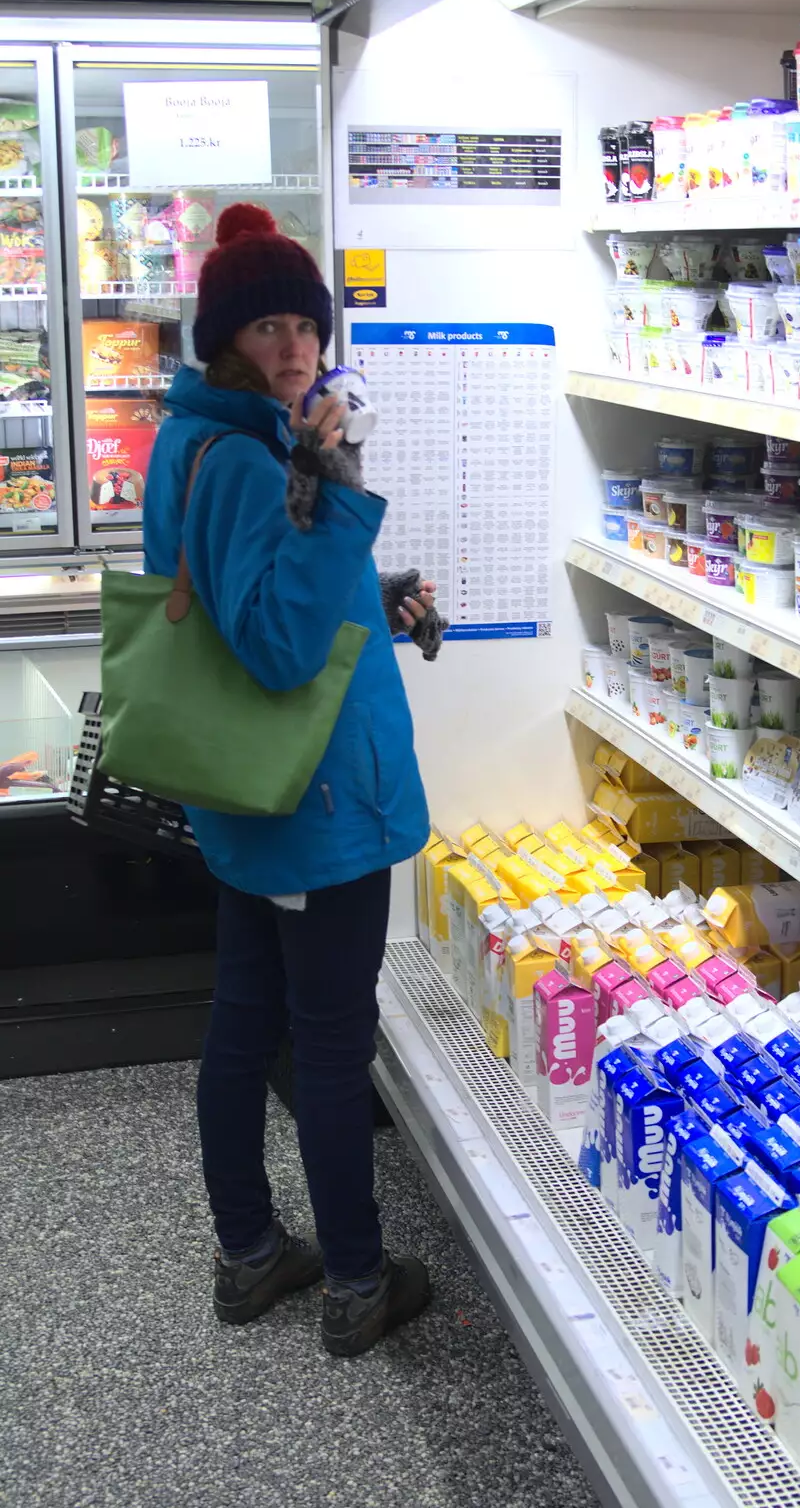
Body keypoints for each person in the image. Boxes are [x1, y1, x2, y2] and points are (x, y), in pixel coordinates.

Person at [142, 203, 435, 1357]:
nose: (293, 348)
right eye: (264, 328)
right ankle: (356, 1279)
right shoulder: (252, 457)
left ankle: (251, 1251)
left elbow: (253, 599)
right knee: (323, 1040)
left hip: (252, 794)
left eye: (302, 323)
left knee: (244, 1020)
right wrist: (337, 484)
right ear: (223, 342)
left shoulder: (207, 437)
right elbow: (273, 644)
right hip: (312, 805)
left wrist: (376, 582)